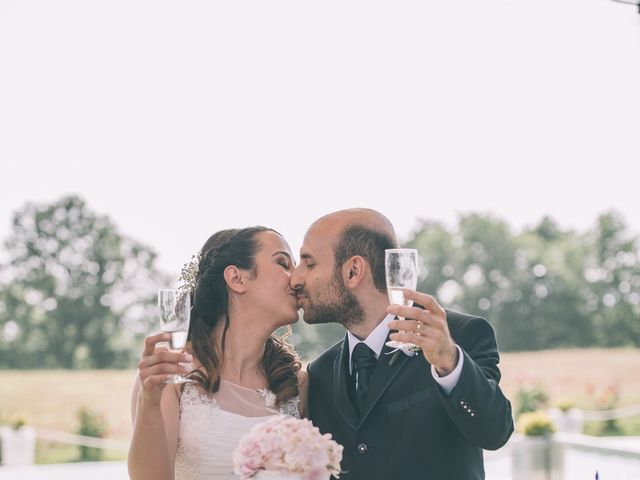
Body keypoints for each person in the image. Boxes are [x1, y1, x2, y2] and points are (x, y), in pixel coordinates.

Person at [291, 209, 514, 480]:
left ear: (353, 271)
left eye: (309, 263)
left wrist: (449, 363)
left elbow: (494, 433)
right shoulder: (320, 372)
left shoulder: (459, 335)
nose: (295, 278)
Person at [128, 227, 307, 480]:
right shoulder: (172, 375)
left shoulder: (296, 383)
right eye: (283, 263)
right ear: (236, 279)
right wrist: (149, 402)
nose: (297, 279)